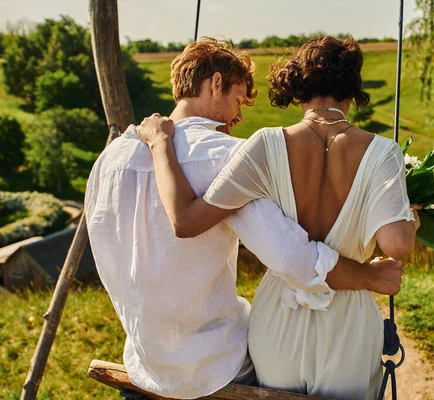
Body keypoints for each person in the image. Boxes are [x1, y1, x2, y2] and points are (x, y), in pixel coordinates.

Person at [85, 38, 405, 399]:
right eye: (238, 100)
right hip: (217, 367)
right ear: (216, 83)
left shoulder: (109, 161)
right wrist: (369, 276)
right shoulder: (225, 155)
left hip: (145, 365)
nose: (238, 118)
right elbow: (295, 260)